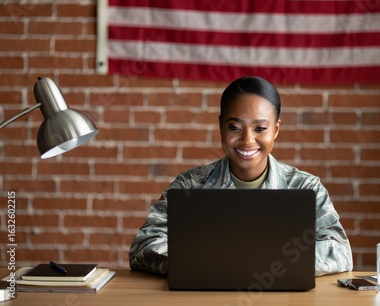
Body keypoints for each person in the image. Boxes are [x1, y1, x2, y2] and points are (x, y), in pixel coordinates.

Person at [129, 76, 353, 276]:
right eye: (235, 127)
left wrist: (266, 262)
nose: (247, 140)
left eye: (260, 129)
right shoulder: (189, 186)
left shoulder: (305, 187)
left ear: (275, 130)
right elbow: (144, 246)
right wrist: (213, 263)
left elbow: (339, 251)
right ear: (221, 126)